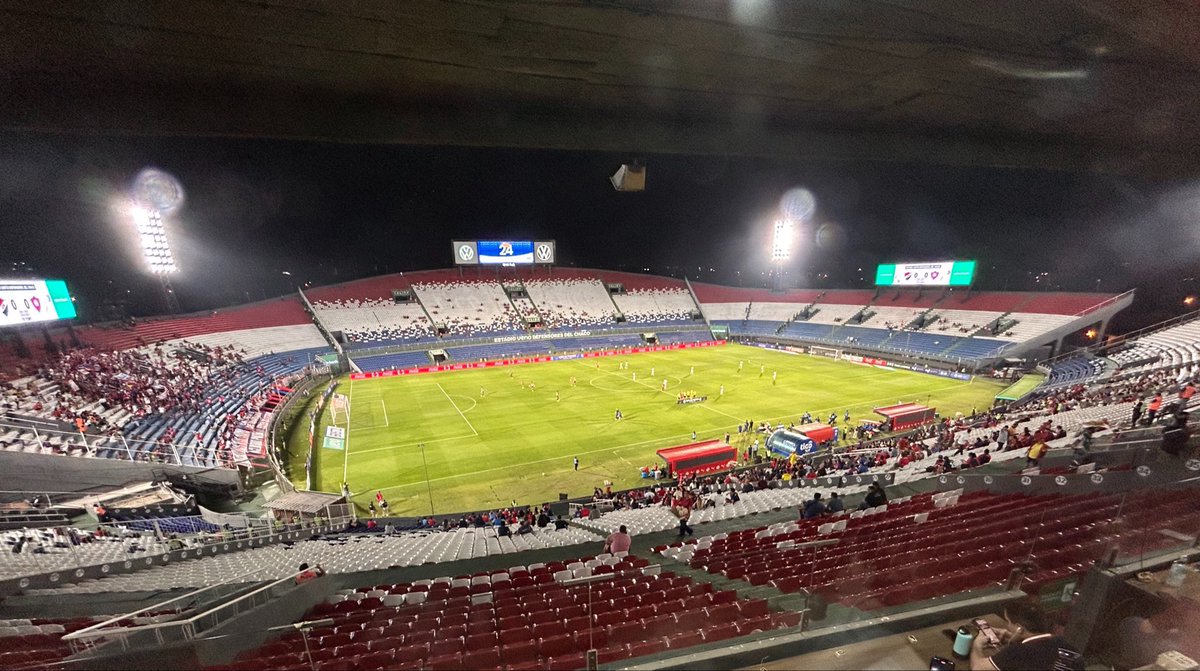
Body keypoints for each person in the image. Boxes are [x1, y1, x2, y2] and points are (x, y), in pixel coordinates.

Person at [970, 600, 1082, 670]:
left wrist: (976, 646)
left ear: (1019, 628)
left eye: (1008, 622)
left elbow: (978, 667)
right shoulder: (1068, 646)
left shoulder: (1017, 652)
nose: (1007, 626)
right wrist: (1013, 638)